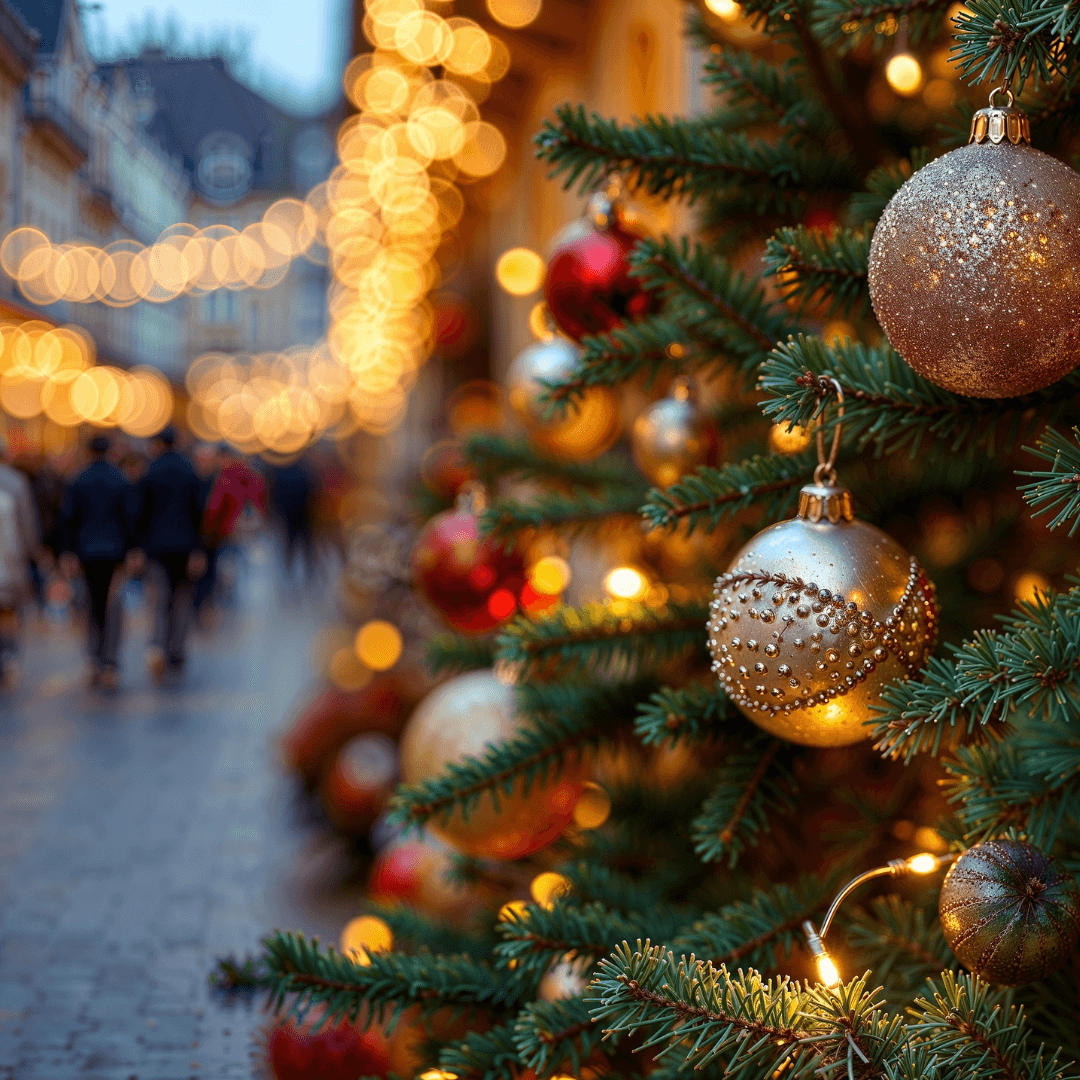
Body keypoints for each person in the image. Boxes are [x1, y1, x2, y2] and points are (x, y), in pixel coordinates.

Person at [59, 435, 135, 690]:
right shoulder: (120, 479)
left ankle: (93, 657)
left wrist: (68, 553)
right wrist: (133, 550)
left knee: (91, 605)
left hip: (86, 552)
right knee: (113, 608)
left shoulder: (77, 479)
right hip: (115, 553)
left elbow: (68, 518)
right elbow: (129, 517)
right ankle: (110, 661)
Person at [134, 427, 206, 681]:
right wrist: (199, 549)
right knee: (182, 600)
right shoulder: (190, 470)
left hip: (156, 548)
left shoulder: (150, 471)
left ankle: (158, 647)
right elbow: (199, 512)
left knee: (159, 600)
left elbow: (140, 512)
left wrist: (138, 547)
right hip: (186, 548)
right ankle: (177, 649)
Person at [0, 445, 39, 685]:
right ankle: (8, 654)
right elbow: (26, 522)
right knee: (10, 612)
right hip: (8, 560)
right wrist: (33, 551)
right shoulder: (16, 482)